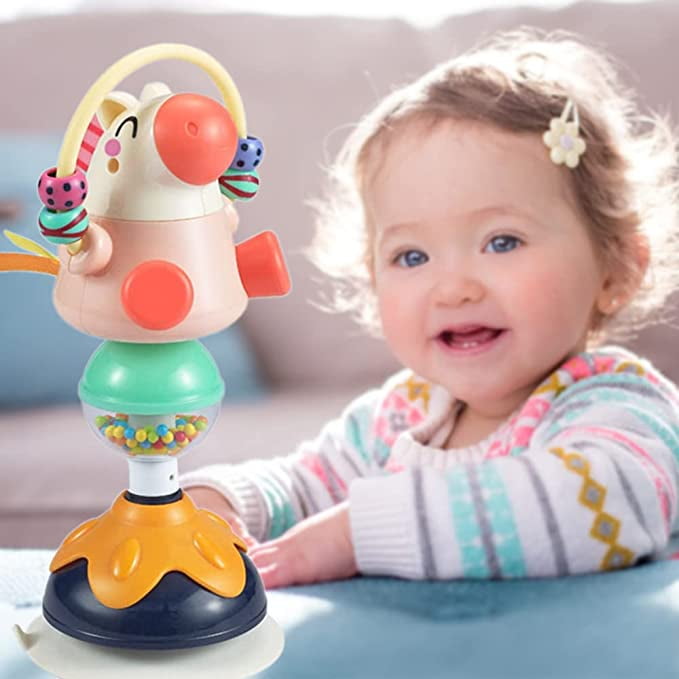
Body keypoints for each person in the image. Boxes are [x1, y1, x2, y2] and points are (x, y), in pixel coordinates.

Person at [182, 29, 679, 588]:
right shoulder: (398, 417)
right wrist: (224, 503)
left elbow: (598, 506)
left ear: (616, 270)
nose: (453, 289)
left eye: (502, 242)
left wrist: (355, 536)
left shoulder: (617, 405)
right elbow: (301, 487)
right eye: (412, 256)